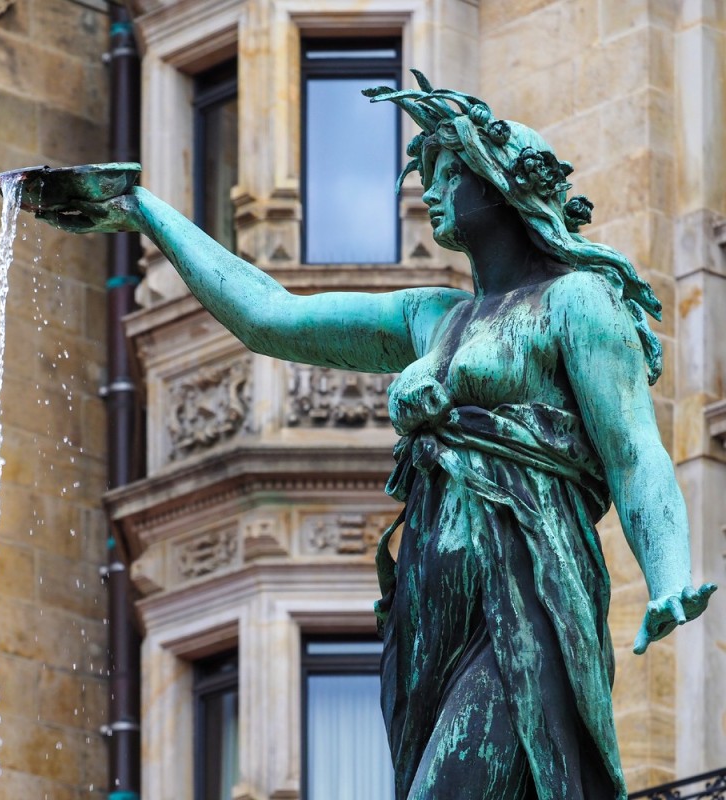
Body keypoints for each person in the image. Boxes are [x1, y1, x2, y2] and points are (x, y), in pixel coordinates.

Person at [38, 71, 715, 800]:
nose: (428, 192)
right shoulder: (430, 316)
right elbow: (272, 318)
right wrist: (145, 211)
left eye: (446, 173)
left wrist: (669, 571)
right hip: (430, 608)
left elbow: (634, 450)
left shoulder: (577, 303)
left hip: (523, 595)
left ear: (496, 183)